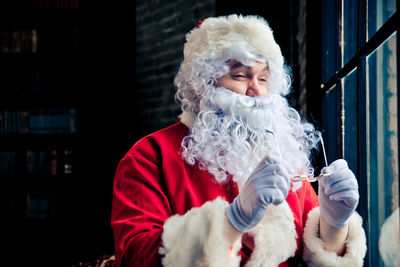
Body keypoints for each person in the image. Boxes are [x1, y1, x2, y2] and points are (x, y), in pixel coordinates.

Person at [111, 14, 367, 267]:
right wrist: (232, 221)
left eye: (263, 78)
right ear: (203, 85)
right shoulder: (149, 156)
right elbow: (134, 256)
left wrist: (334, 226)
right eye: (241, 76)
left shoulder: (286, 156)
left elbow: (311, 257)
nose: (256, 89)